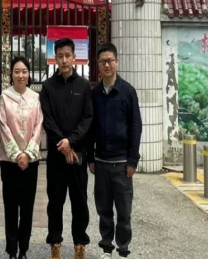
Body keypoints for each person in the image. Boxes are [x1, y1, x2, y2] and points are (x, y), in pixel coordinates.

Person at [87, 43, 143, 259]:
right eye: (103, 62)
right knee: (104, 210)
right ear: (98, 65)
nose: (107, 65)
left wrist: (132, 160)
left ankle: (123, 250)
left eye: (110, 60)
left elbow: (136, 127)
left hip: (121, 164)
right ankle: (106, 249)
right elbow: (90, 127)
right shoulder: (94, 93)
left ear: (116, 62)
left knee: (124, 211)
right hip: (101, 162)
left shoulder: (128, 92)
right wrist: (90, 157)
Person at [40, 38, 93, 260]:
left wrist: (71, 142)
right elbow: (47, 119)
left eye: (67, 56)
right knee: (55, 202)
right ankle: (55, 244)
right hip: (56, 156)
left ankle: (80, 244)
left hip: (78, 155)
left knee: (80, 201)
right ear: (55, 58)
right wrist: (63, 145)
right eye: (60, 56)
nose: (64, 60)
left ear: (74, 58)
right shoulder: (47, 87)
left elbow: (88, 118)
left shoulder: (84, 86)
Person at [0, 57, 44, 260]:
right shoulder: (4, 97)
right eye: (17, 71)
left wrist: (28, 154)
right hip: (10, 162)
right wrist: (17, 154)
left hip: (30, 161)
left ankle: (23, 249)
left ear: (29, 74)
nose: (20, 75)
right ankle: (11, 249)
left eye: (24, 71)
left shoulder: (35, 98)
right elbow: (3, 126)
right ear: (11, 74)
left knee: (27, 206)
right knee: (10, 206)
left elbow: (39, 126)